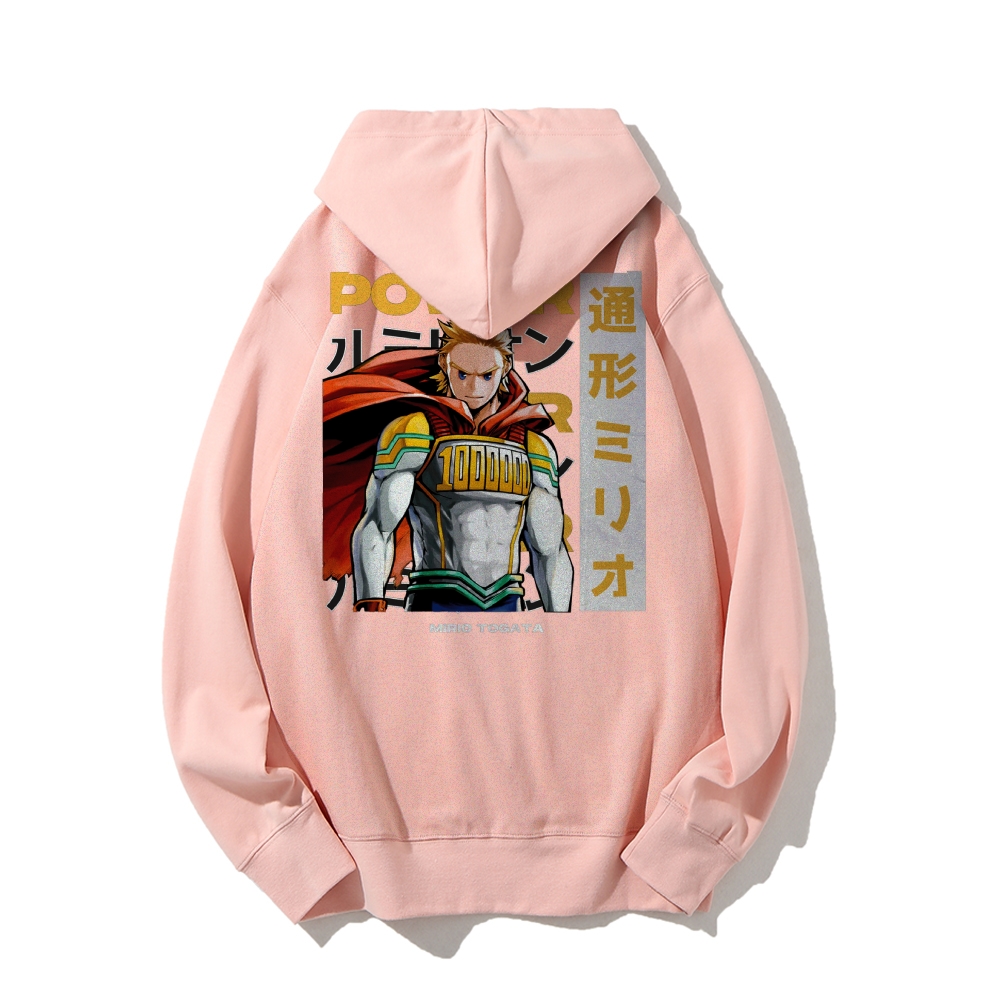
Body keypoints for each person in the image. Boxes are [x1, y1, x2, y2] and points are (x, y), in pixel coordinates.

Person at [322, 318, 573, 612]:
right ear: (444, 363)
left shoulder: (533, 447)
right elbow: (378, 525)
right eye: (462, 374)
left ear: (506, 367)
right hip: (435, 597)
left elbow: (550, 548)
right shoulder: (416, 432)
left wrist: (559, 621)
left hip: (507, 601)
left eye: (487, 375)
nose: (473, 387)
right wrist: (370, 602)